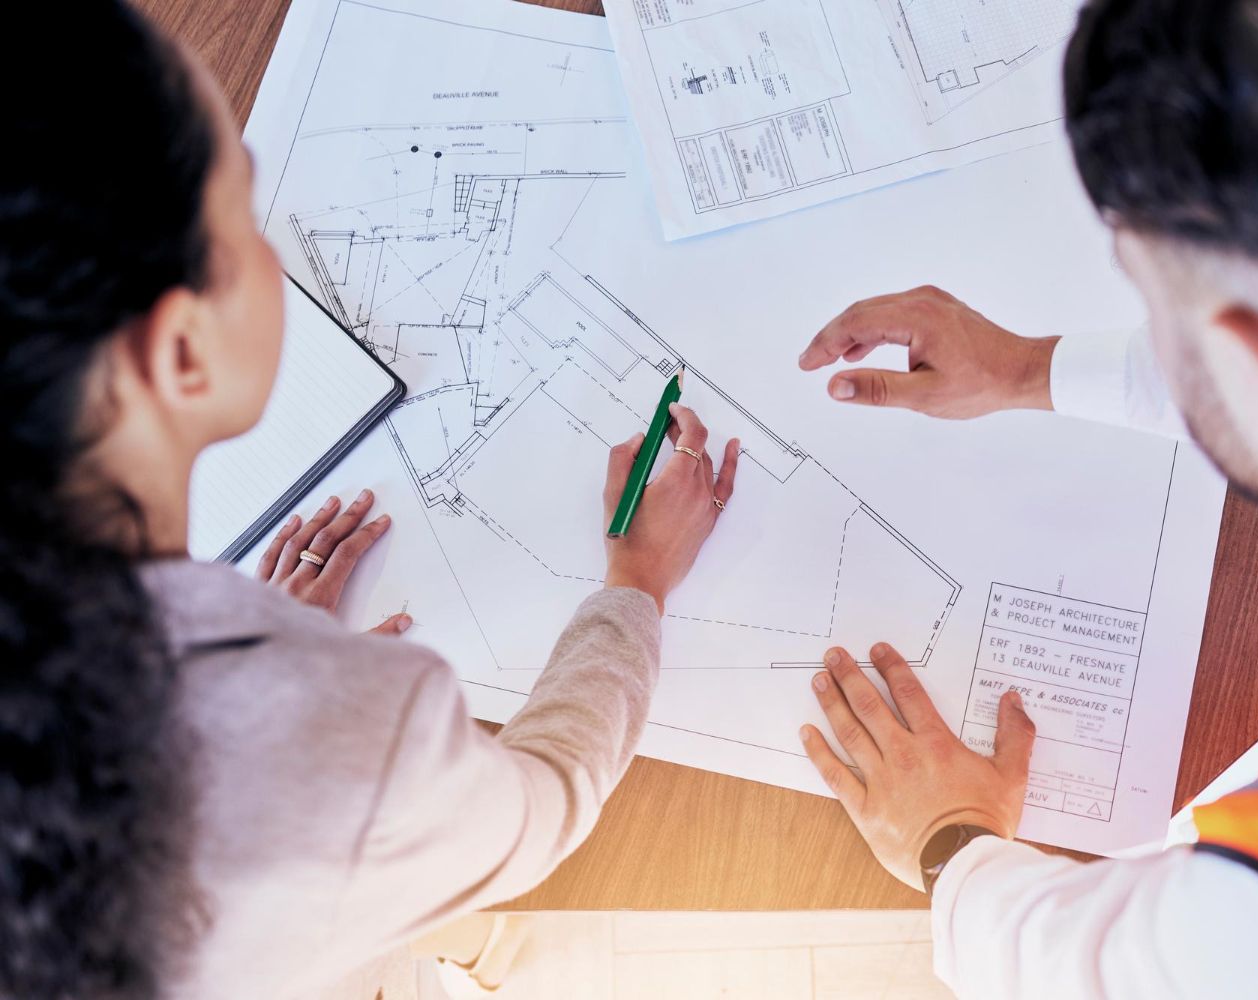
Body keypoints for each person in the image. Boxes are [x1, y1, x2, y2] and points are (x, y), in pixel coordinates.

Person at [0, 4, 738, 999]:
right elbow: (544, 805)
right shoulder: (335, 741)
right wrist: (637, 582)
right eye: (244, 216)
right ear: (181, 352)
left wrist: (242, 657)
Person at [795, 0, 1258, 997]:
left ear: (1251, 360)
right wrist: (1025, 369)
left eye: (1150, 295)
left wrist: (950, 841)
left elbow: (1093, 972)